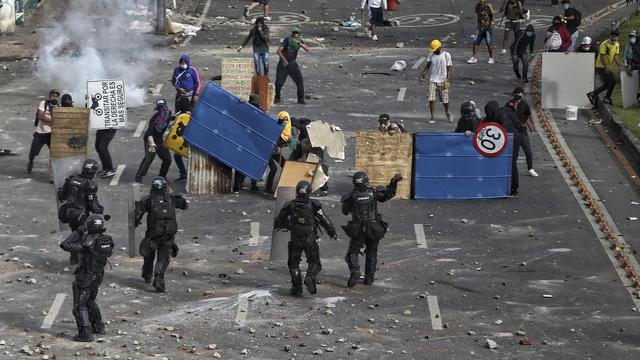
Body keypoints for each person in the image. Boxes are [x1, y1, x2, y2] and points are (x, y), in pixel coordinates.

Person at [273, 180, 337, 296]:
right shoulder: (314, 205)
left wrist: (285, 225)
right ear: (309, 192)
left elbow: (279, 221)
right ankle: (310, 276)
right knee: (315, 263)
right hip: (310, 239)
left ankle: (297, 287)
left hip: (295, 239)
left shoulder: (289, 205)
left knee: (293, 264)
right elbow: (324, 220)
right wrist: (332, 232)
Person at [341, 172, 402, 287]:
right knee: (372, 252)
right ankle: (369, 277)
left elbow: (344, 212)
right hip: (374, 227)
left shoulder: (349, 196)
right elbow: (389, 194)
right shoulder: (373, 192)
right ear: (366, 181)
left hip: (358, 228)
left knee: (352, 253)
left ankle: (355, 272)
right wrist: (393, 182)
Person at [60, 215, 113, 342]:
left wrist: (78, 231)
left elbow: (65, 245)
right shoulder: (106, 240)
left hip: (85, 277)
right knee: (90, 301)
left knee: (79, 305)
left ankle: (85, 332)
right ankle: (98, 326)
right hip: (98, 276)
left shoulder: (88, 242)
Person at [135, 176, 188, 292]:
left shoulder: (148, 200)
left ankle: (147, 275)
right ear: (165, 187)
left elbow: (137, 214)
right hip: (168, 235)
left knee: (148, 255)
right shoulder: (172, 198)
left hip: (153, 235)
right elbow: (185, 205)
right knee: (163, 258)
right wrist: (172, 194)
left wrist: (135, 222)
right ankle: (158, 279)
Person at [484, 101, 521, 196]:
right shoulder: (503, 112)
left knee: (511, 163)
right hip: (513, 139)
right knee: (510, 163)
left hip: (512, 140)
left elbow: (506, 129)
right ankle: (510, 187)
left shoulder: (501, 115)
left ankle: (513, 188)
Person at [58, 158, 105, 232]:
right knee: (82, 236)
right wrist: (99, 210)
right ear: (93, 171)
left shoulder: (71, 178)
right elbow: (92, 203)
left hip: (68, 213)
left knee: (74, 232)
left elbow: (61, 195)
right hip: (81, 215)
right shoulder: (90, 184)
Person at [135, 99, 173, 184]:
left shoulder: (168, 114)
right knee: (148, 160)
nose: (163, 109)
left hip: (161, 141)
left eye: (164, 107)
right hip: (151, 141)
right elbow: (150, 133)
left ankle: (162, 177)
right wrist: (152, 144)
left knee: (167, 160)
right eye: (161, 108)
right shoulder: (154, 119)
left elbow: (171, 119)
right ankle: (139, 176)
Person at [506, 87, 538, 177]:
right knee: (514, 152)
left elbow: (529, 115)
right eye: (516, 94)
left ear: (522, 94)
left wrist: (533, 126)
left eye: (519, 94)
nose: (518, 95)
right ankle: (512, 169)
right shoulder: (509, 104)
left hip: (523, 131)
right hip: (513, 131)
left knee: (528, 150)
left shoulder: (524, 104)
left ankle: (530, 169)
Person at [419, 39, 453, 123]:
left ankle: (447, 111)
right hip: (433, 80)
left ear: (439, 48)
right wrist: (422, 74)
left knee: (445, 100)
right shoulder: (431, 55)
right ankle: (433, 117)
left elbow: (449, 68)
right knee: (431, 99)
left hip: (443, 81)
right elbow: (427, 66)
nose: (433, 51)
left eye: (435, 49)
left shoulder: (446, 55)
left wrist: (448, 80)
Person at [275, 27, 309, 105]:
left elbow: (307, 49)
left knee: (300, 81)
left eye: (297, 33)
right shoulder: (287, 40)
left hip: (293, 64)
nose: (295, 34)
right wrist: (283, 59)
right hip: (283, 64)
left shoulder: (299, 40)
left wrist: (299, 43)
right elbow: (278, 51)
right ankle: (277, 98)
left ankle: (301, 99)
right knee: (279, 83)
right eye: (294, 33)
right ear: (292, 33)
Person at [28, 88, 59, 174]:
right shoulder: (44, 103)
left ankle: (54, 170)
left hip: (51, 134)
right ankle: (31, 162)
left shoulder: (59, 107)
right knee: (33, 152)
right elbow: (40, 116)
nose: (54, 98)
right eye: (53, 96)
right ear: (49, 96)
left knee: (54, 153)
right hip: (40, 132)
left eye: (56, 96)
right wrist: (52, 121)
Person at [587, 29, 622, 106]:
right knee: (613, 81)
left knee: (608, 84)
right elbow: (602, 56)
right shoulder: (605, 44)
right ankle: (606, 97)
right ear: (610, 36)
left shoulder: (617, 44)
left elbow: (616, 55)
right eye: (612, 36)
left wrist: (619, 66)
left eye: (615, 37)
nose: (614, 38)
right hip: (600, 66)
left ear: (618, 37)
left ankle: (593, 94)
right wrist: (606, 67)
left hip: (607, 66)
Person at [264, 111, 292, 194]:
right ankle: (267, 189)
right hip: (268, 151)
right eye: (283, 120)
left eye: (286, 120)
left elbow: (291, 145)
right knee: (274, 169)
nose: (285, 122)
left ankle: (287, 185)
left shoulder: (289, 130)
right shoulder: (275, 127)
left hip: (275, 151)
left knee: (286, 165)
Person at [467, 0, 496, 64]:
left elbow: (492, 14)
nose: (481, 0)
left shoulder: (488, 5)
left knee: (489, 43)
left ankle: (491, 58)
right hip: (480, 27)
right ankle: (474, 57)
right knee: (475, 41)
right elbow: (478, 15)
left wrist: (492, 22)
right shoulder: (477, 6)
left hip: (487, 28)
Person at [623, 30, 640, 103]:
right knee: (632, 85)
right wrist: (626, 67)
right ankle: (633, 100)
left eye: (633, 36)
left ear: (636, 36)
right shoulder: (628, 45)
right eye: (630, 36)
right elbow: (625, 57)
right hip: (632, 66)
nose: (631, 38)